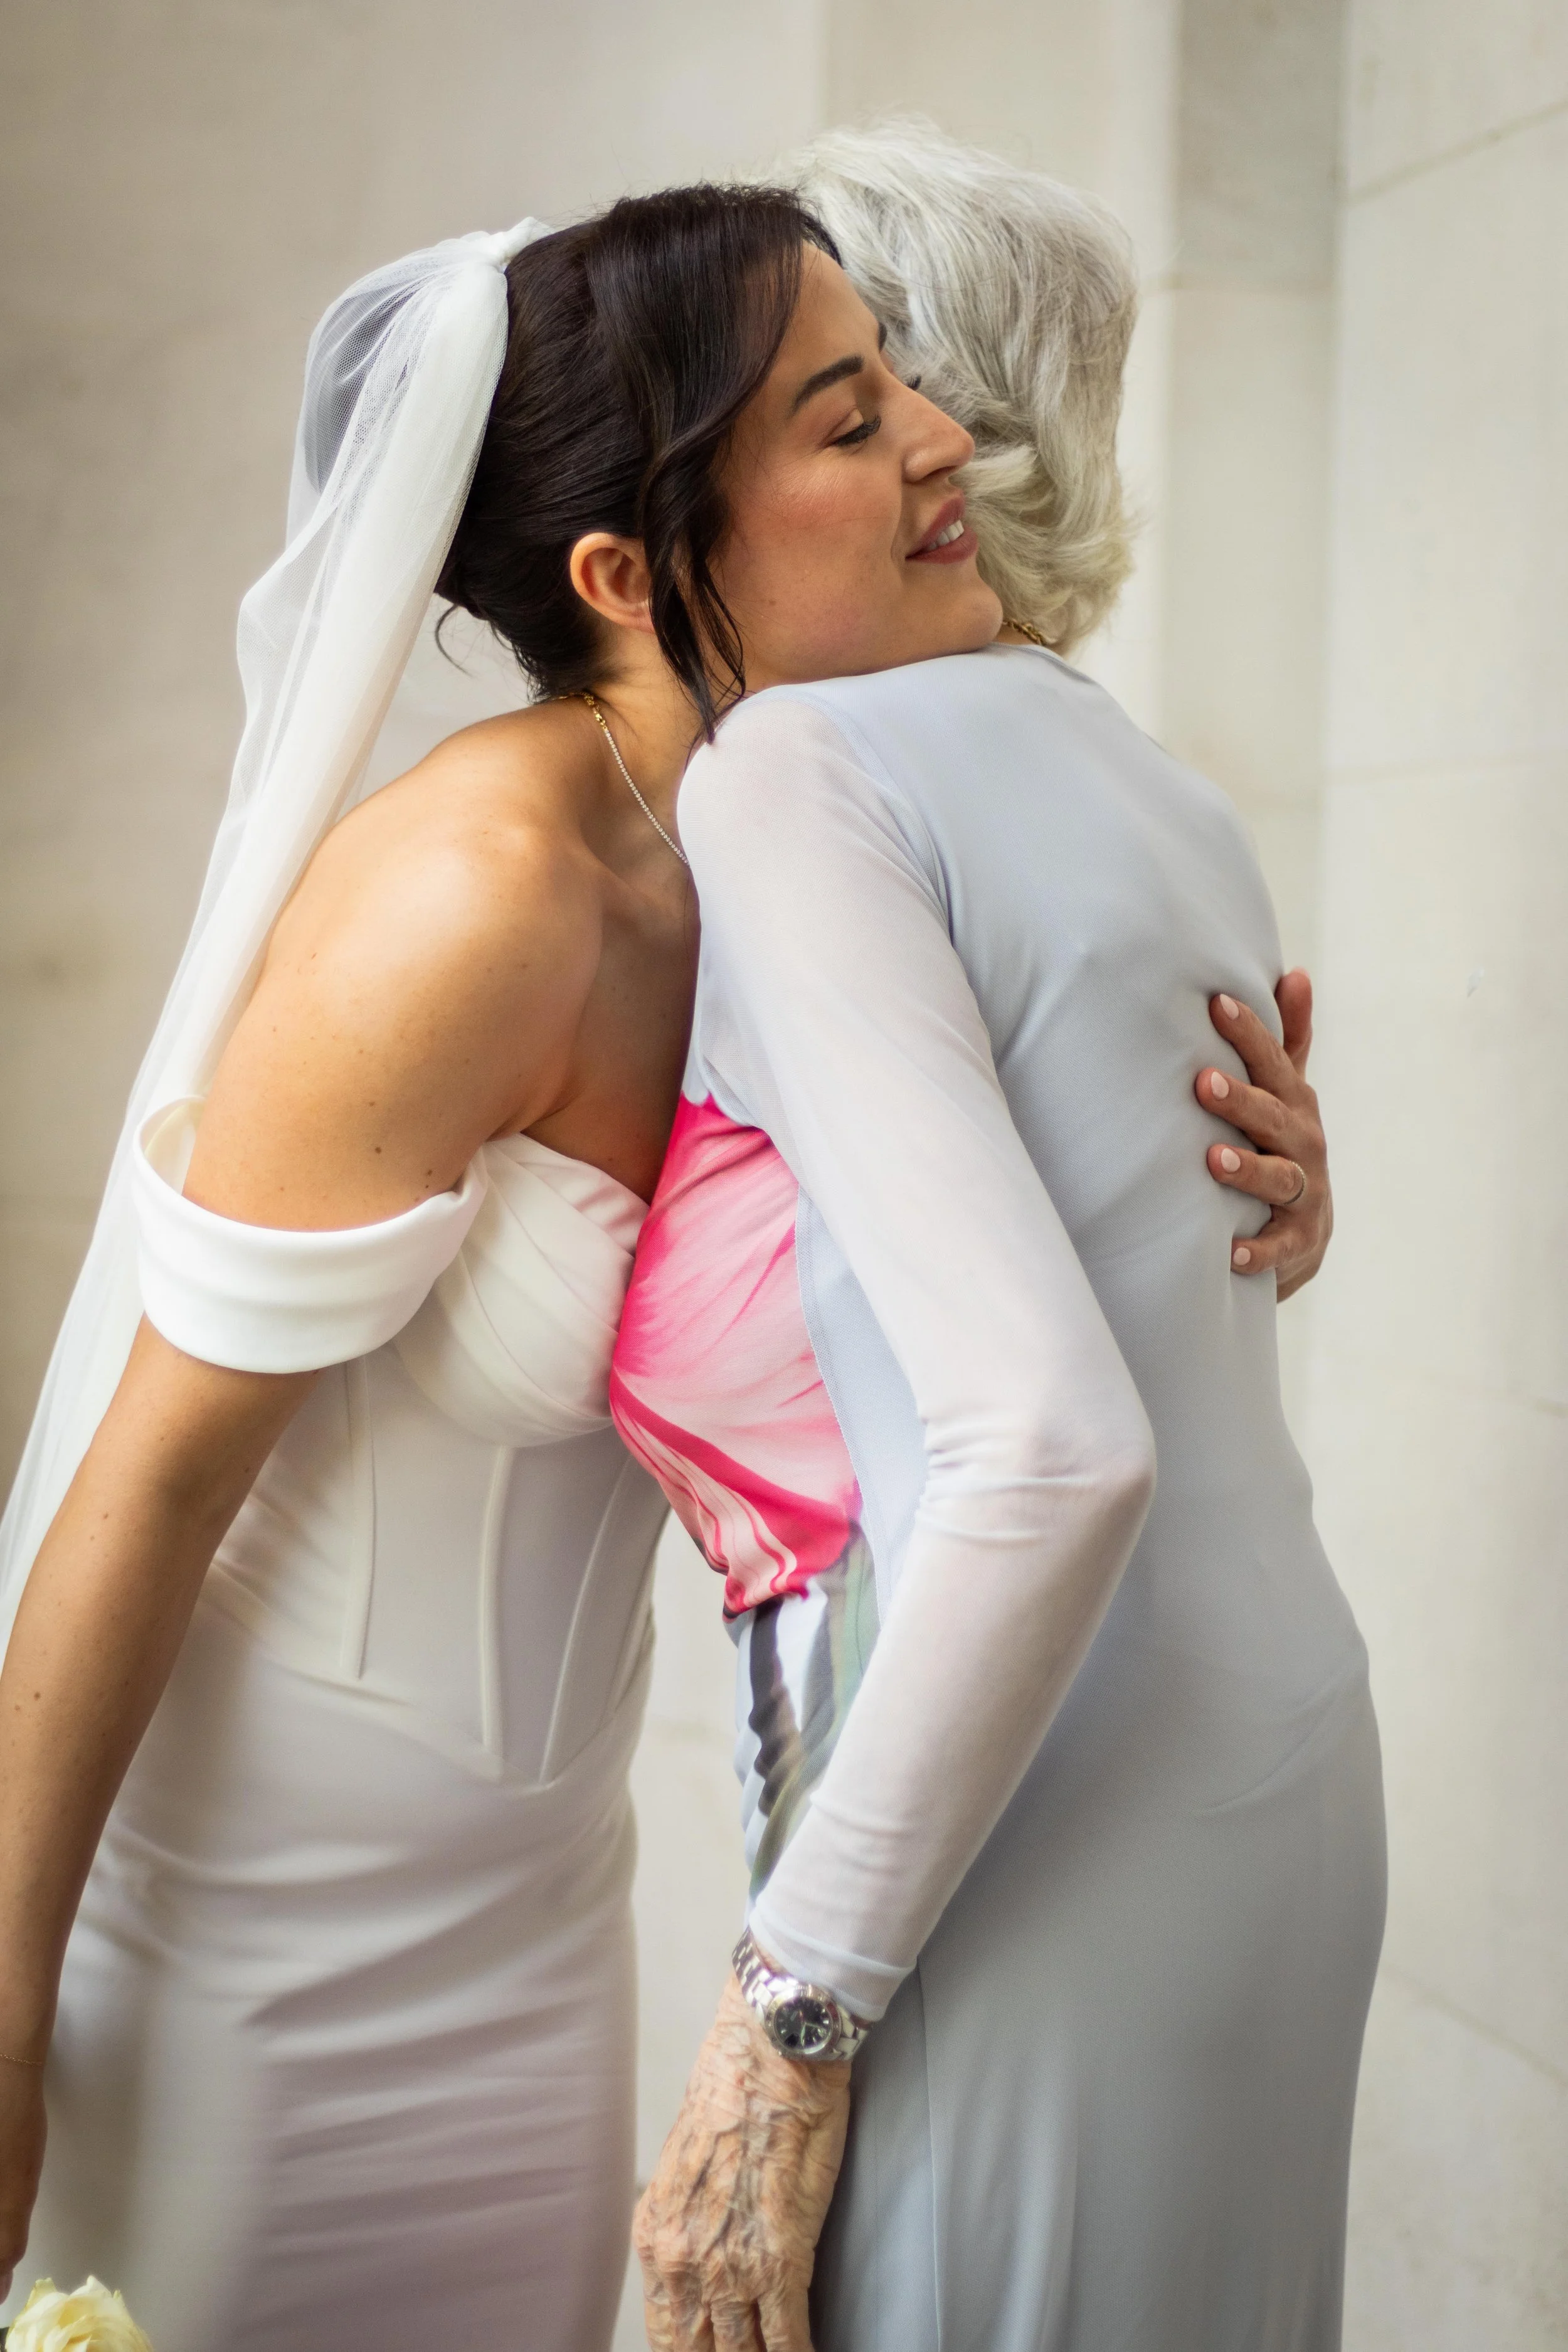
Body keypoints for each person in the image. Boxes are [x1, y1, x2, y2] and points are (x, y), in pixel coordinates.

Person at [0, 162, 1333, 2352]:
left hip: (546, 1916)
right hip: (247, 1905)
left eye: (898, 374)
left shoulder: (806, 840)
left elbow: (1005, 1241)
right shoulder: (467, 904)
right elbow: (141, 1485)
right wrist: (8, 1994)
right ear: (624, 570)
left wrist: (1267, 1171)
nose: (939, 444)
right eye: (842, 417)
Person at [613, 127, 1382, 2352]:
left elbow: (1052, 1437)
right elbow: (1183, 1241)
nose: (926, 439)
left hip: (1034, 1817)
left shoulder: (801, 775)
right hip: (1281, 1759)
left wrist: (787, 2007)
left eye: (874, 379)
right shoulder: (1153, 780)